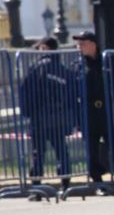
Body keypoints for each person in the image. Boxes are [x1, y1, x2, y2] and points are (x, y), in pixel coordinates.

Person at [19, 37, 81, 190]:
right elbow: (72, 96)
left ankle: (36, 187)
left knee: (38, 154)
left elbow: (26, 92)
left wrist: (27, 112)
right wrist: (72, 118)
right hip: (59, 119)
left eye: (40, 48)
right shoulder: (64, 70)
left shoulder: (36, 68)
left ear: (45, 48)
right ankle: (65, 185)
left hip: (39, 119)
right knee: (62, 152)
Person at [73, 31, 108, 185]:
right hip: (88, 112)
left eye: (83, 43)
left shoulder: (108, 62)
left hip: (108, 110)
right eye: (78, 44)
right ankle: (98, 181)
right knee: (91, 150)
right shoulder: (77, 66)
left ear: (93, 45)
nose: (79, 46)